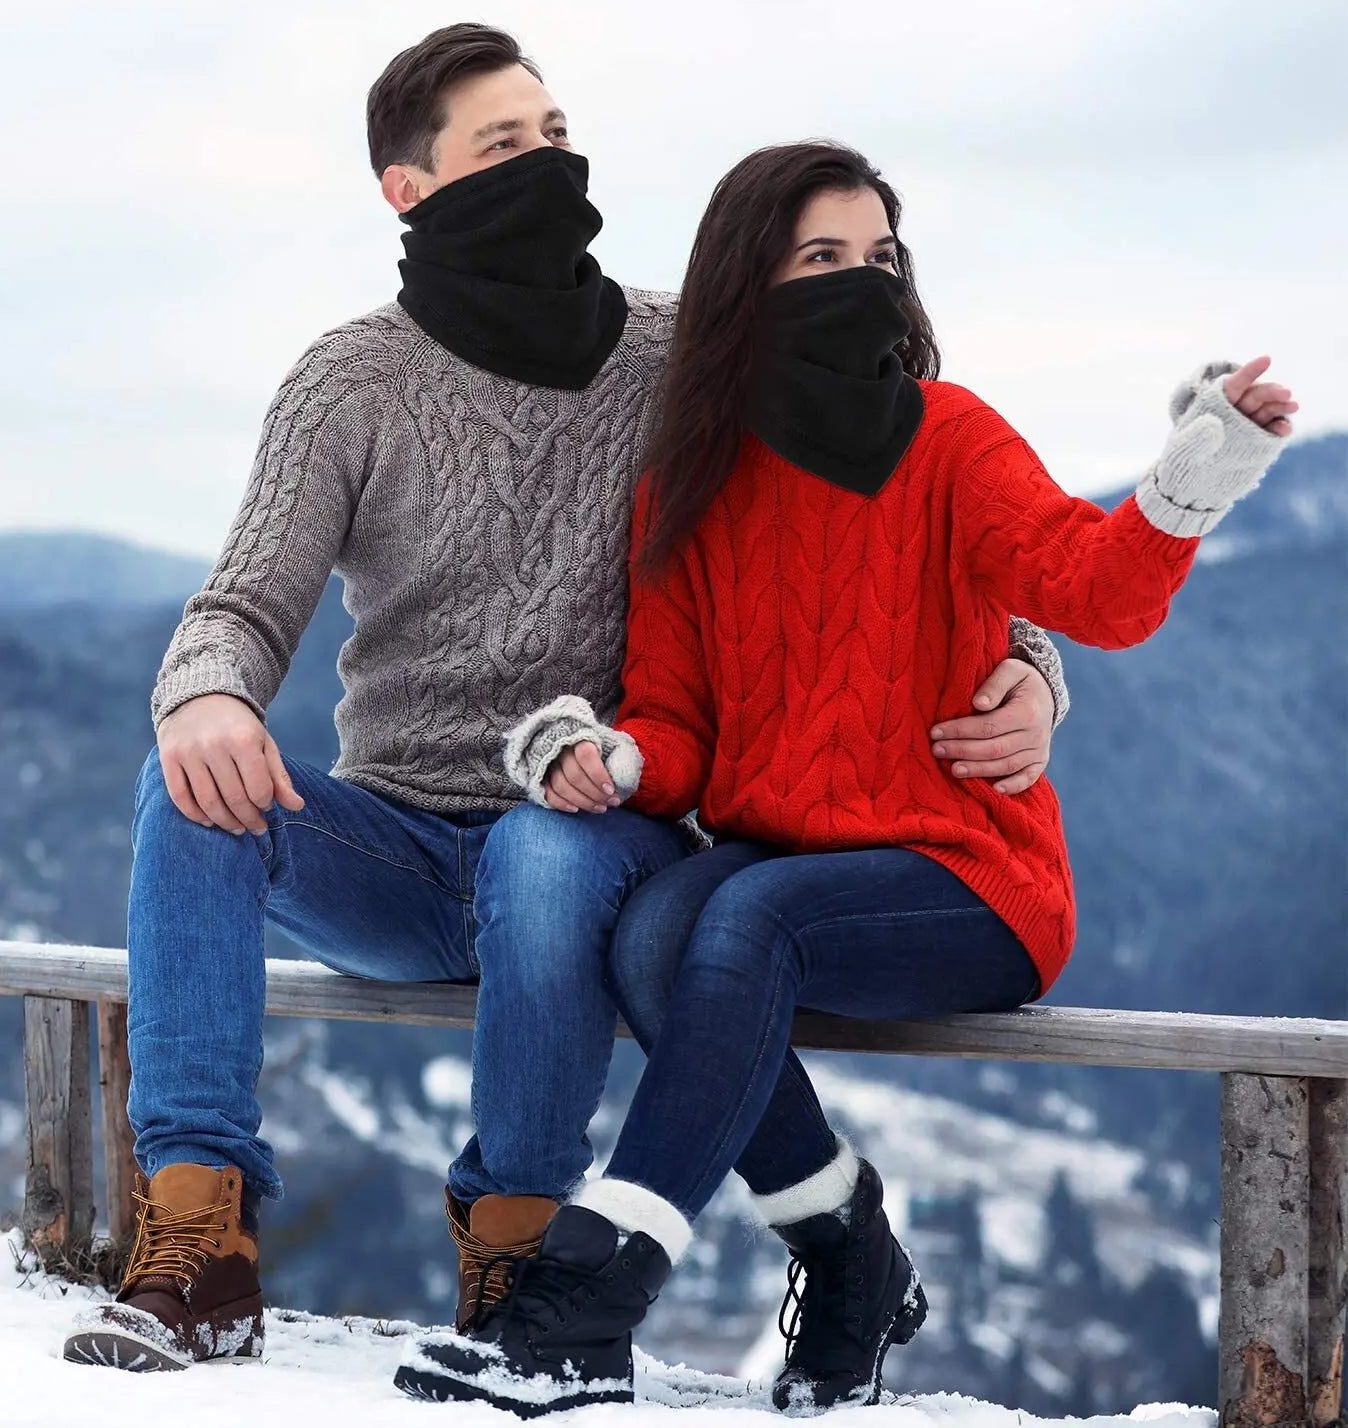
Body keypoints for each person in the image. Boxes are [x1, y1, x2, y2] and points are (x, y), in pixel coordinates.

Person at [62, 32, 1068, 1372]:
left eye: (555, 134)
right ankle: (202, 1238)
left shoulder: (677, 355)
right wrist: (206, 696)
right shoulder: (349, 382)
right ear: (409, 187)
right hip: (404, 850)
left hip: (597, 835)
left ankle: (520, 1248)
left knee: (542, 848)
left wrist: (1033, 664)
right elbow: (240, 607)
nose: (548, 162)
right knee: (184, 789)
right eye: (505, 144)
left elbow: (889, 495)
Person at [393, 140, 1295, 1415]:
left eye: (878, 256)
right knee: (654, 933)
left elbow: (1095, 593)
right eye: (821, 256)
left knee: (745, 916)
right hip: (782, 870)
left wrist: (1193, 476)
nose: (859, 281)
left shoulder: (951, 437)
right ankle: (848, 1249)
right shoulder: (691, 483)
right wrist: (610, 755)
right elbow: (679, 719)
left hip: (969, 877)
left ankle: (591, 1297)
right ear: (747, 283)